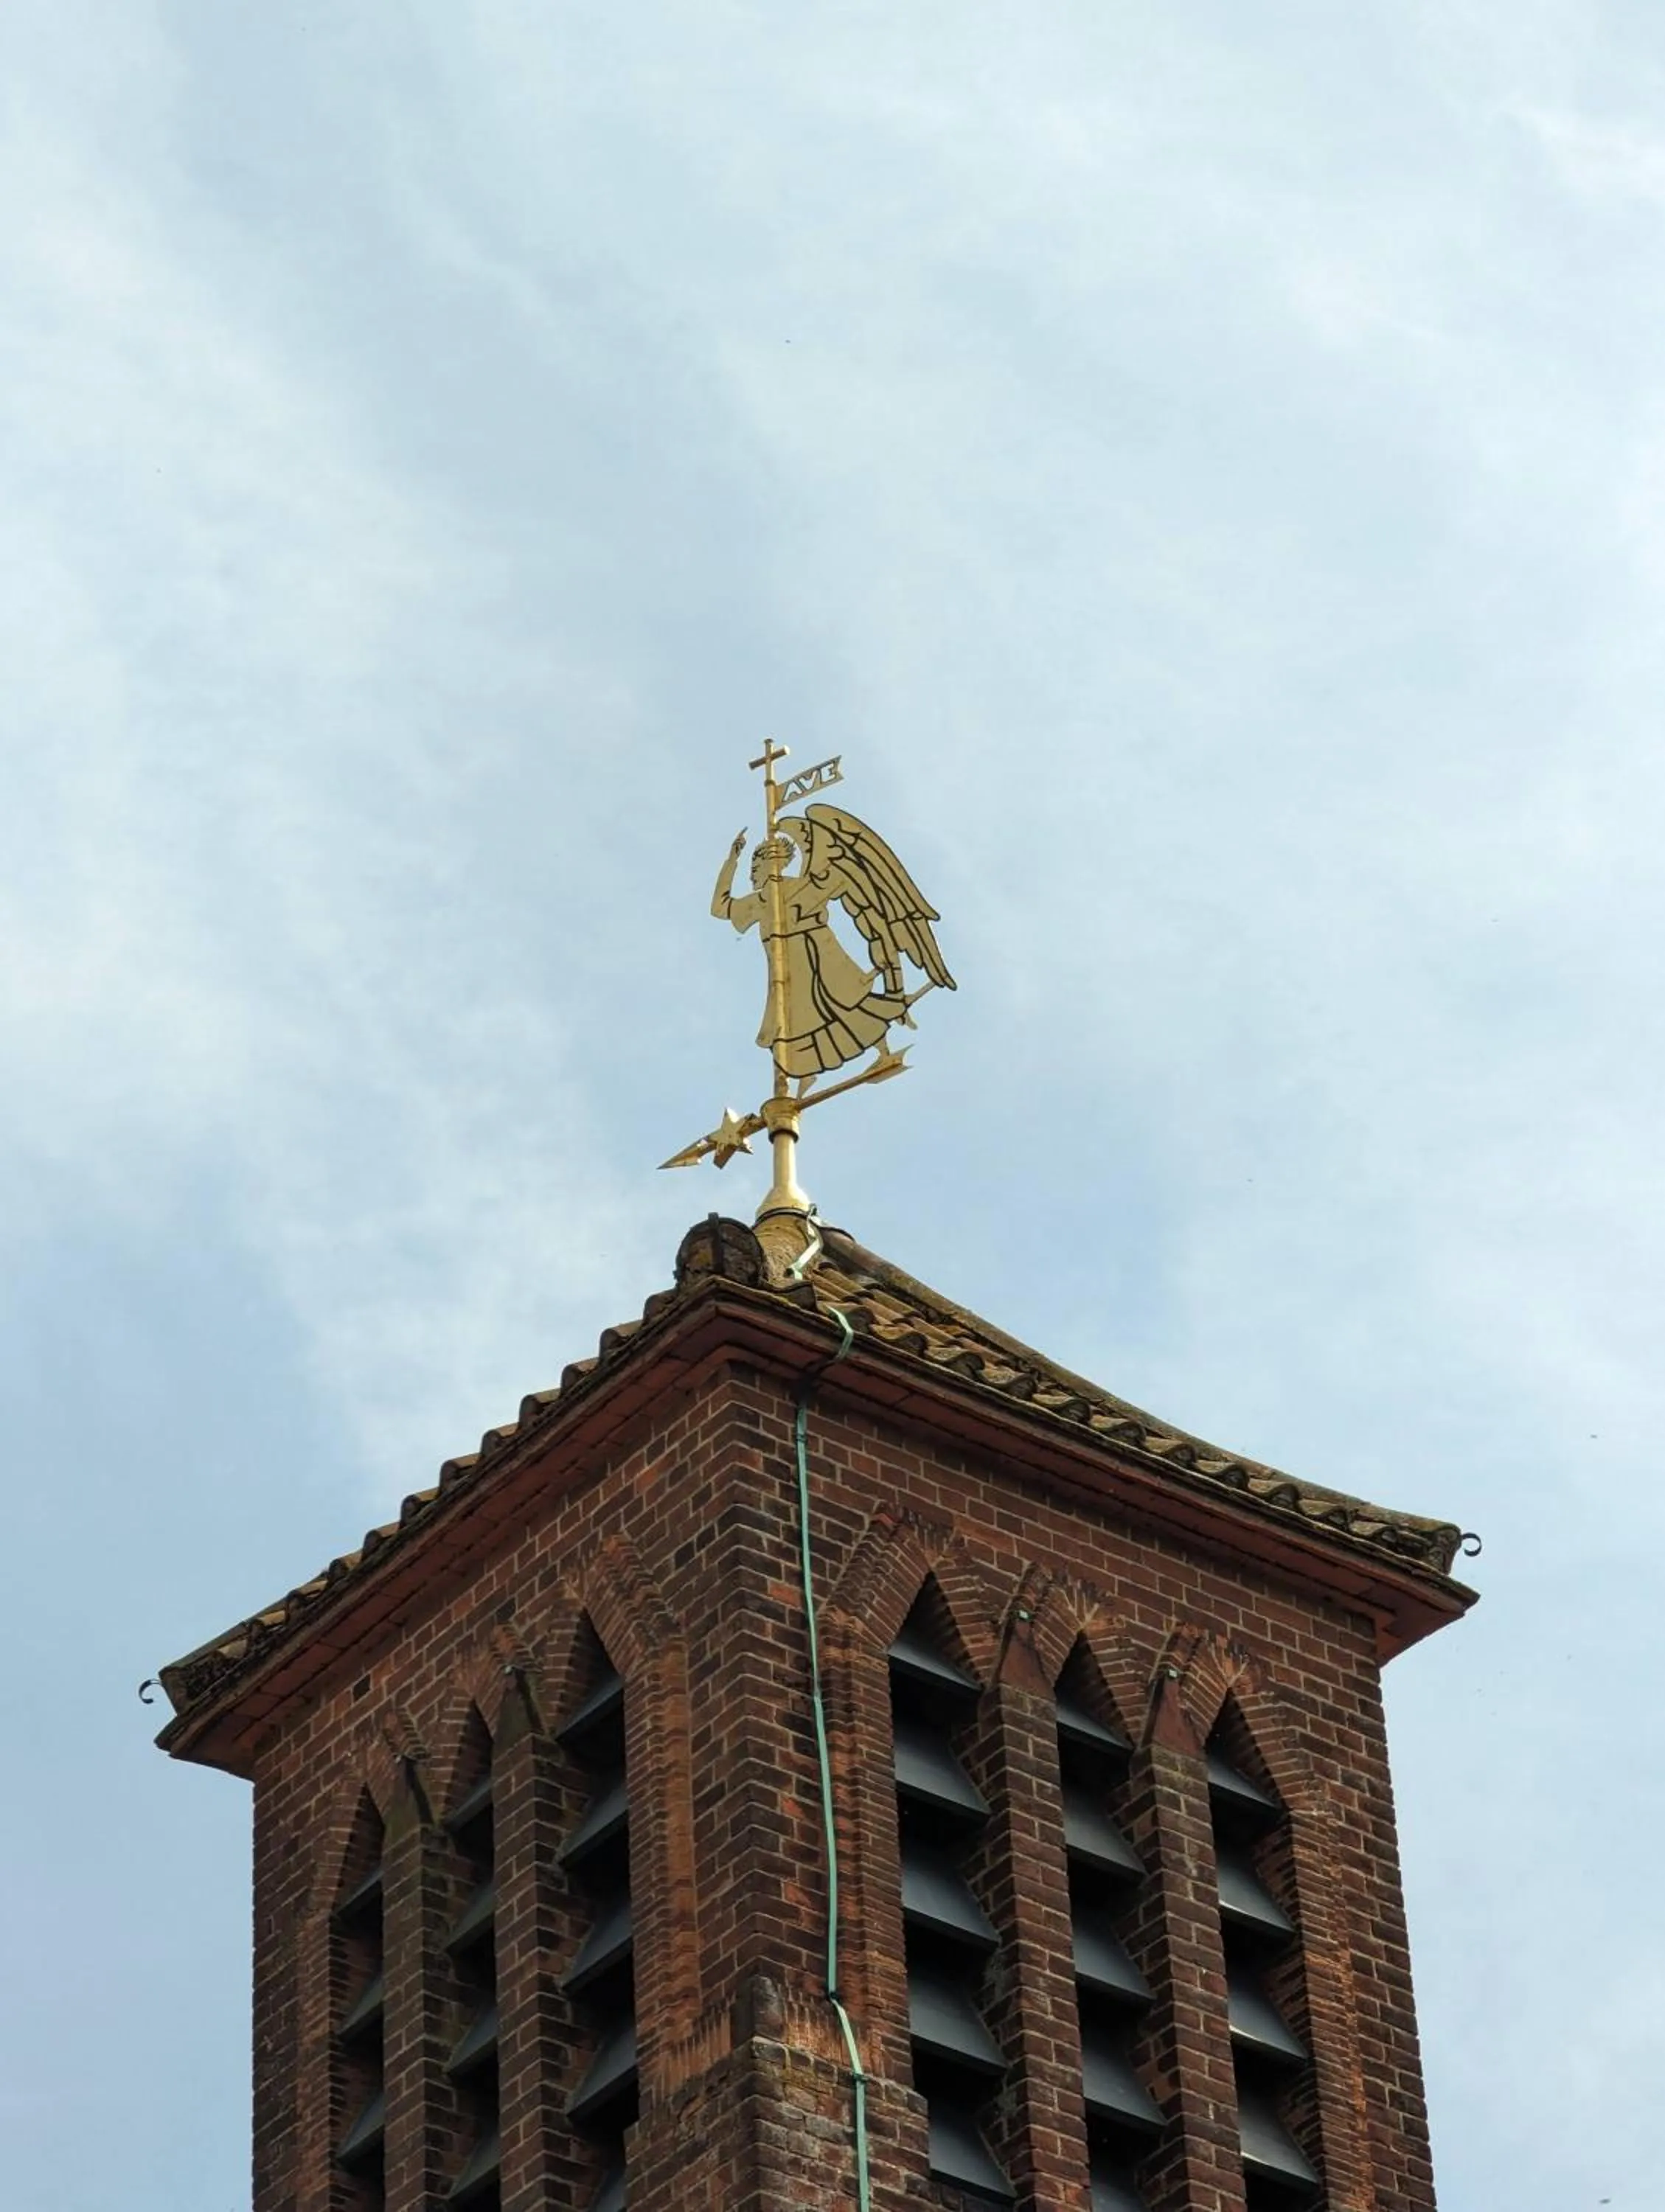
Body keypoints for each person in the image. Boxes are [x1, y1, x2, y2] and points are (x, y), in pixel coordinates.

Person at [710, 829, 905, 1080]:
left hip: (817, 961)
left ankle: (882, 1050)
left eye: (755, 866)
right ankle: (802, 1073)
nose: (752, 874)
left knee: (845, 1006)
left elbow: (836, 885)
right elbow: (720, 908)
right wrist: (732, 861)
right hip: (787, 974)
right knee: (797, 1025)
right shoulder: (759, 902)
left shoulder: (799, 888)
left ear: (770, 862)